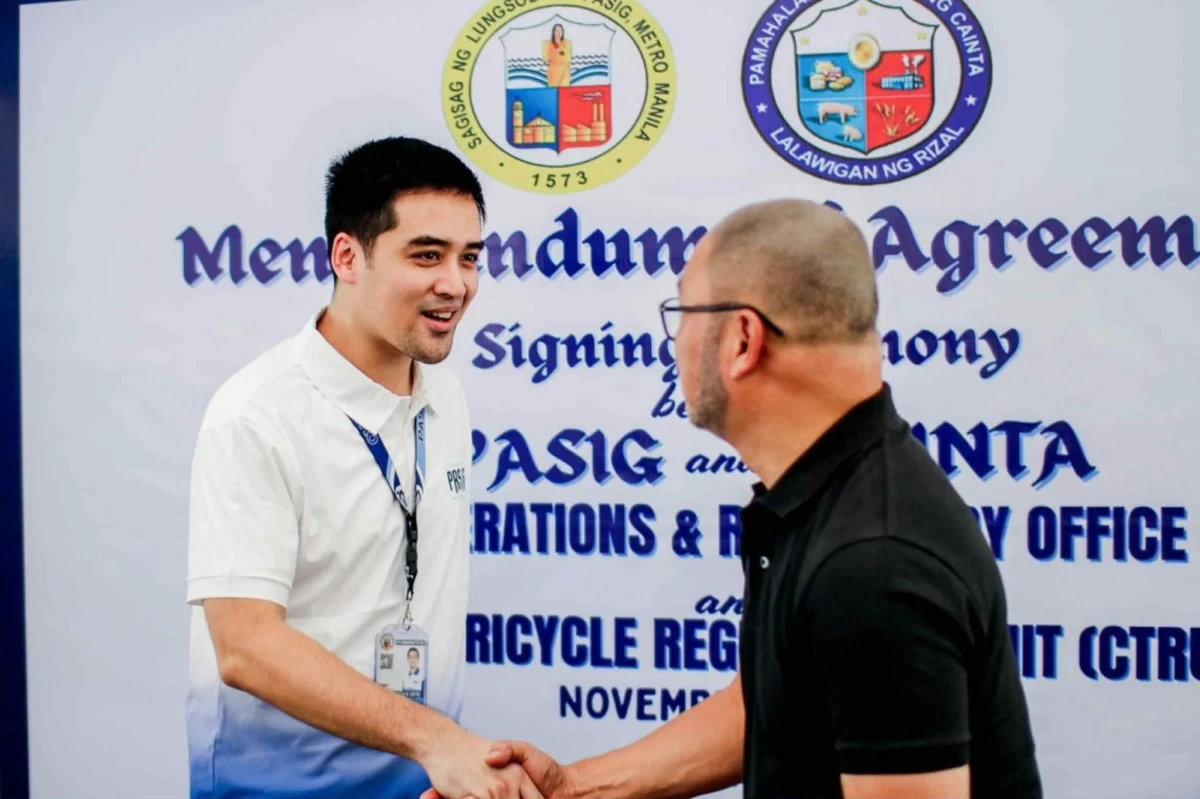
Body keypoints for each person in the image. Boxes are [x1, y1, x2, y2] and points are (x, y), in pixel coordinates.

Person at [449, 199, 1042, 799]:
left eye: (683, 315)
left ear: (742, 339)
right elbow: (777, 703)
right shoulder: (826, 499)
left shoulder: (871, 565)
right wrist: (574, 788)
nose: (673, 345)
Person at [186, 136, 543, 799]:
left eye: (471, 258)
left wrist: (439, 750)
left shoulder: (446, 395)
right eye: (427, 255)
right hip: (276, 786)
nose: (455, 284)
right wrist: (434, 737)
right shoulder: (255, 415)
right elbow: (244, 645)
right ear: (347, 256)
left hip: (429, 784)